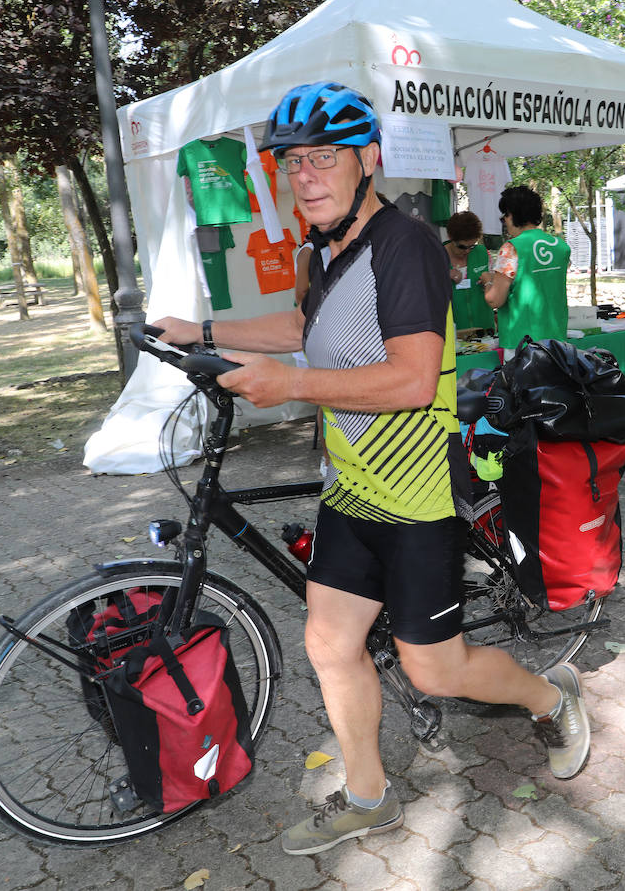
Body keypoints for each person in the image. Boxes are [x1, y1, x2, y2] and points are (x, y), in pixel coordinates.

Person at [150, 82, 590, 856]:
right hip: (351, 490)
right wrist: (203, 328)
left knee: (437, 672)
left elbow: (414, 378)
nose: (306, 176)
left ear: (369, 161)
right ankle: (367, 795)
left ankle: (551, 697)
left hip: (418, 496)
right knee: (330, 644)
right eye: (293, 162)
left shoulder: (407, 245)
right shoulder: (324, 248)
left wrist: (286, 383)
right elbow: (302, 324)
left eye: (323, 158)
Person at [480, 185, 571, 352]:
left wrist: (487, 281)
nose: (505, 222)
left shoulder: (511, 249)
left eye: (504, 217)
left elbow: (495, 299)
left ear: (512, 215)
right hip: (557, 339)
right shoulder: (561, 247)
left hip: (522, 343)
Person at [443, 210, 488, 286]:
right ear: (450, 237)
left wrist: (490, 281)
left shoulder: (483, 253)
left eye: (472, 246)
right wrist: (441, 276)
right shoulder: (436, 257)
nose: (467, 251)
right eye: (462, 247)